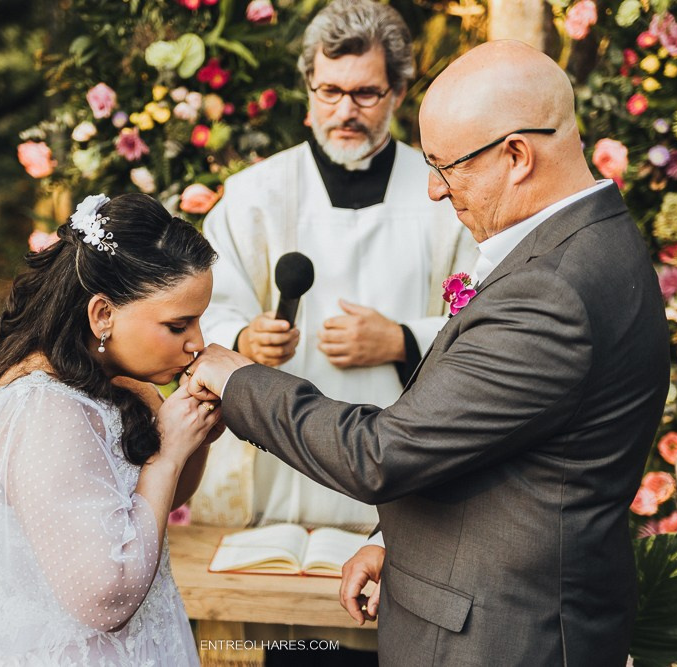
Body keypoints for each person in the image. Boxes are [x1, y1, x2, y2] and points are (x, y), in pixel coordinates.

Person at [183, 40, 670, 666]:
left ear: (517, 156)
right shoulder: (588, 241)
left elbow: (381, 454)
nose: (435, 191)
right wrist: (400, 541)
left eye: (448, 167)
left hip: (503, 636)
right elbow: (500, 445)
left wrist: (238, 378)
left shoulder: (550, 290)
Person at [196, 0, 474, 532]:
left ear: (397, 92)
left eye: (365, 93)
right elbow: (208, 305)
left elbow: (492, 312)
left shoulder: (444, 194)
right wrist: (244, 339)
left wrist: (400, 339)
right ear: (309, 90)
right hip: (277, 470)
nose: (345, 110)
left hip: (404, 465)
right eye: (330, 91)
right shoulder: (256, 195)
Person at [0, 193, 220, 666]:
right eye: (177, 324)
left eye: (199, 320)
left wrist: (196, 437)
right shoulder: (45, 413)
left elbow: (151, 508)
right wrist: (167, 457)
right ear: (102, 315)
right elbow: (107, 598)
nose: (197, 343)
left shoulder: (112, 382)